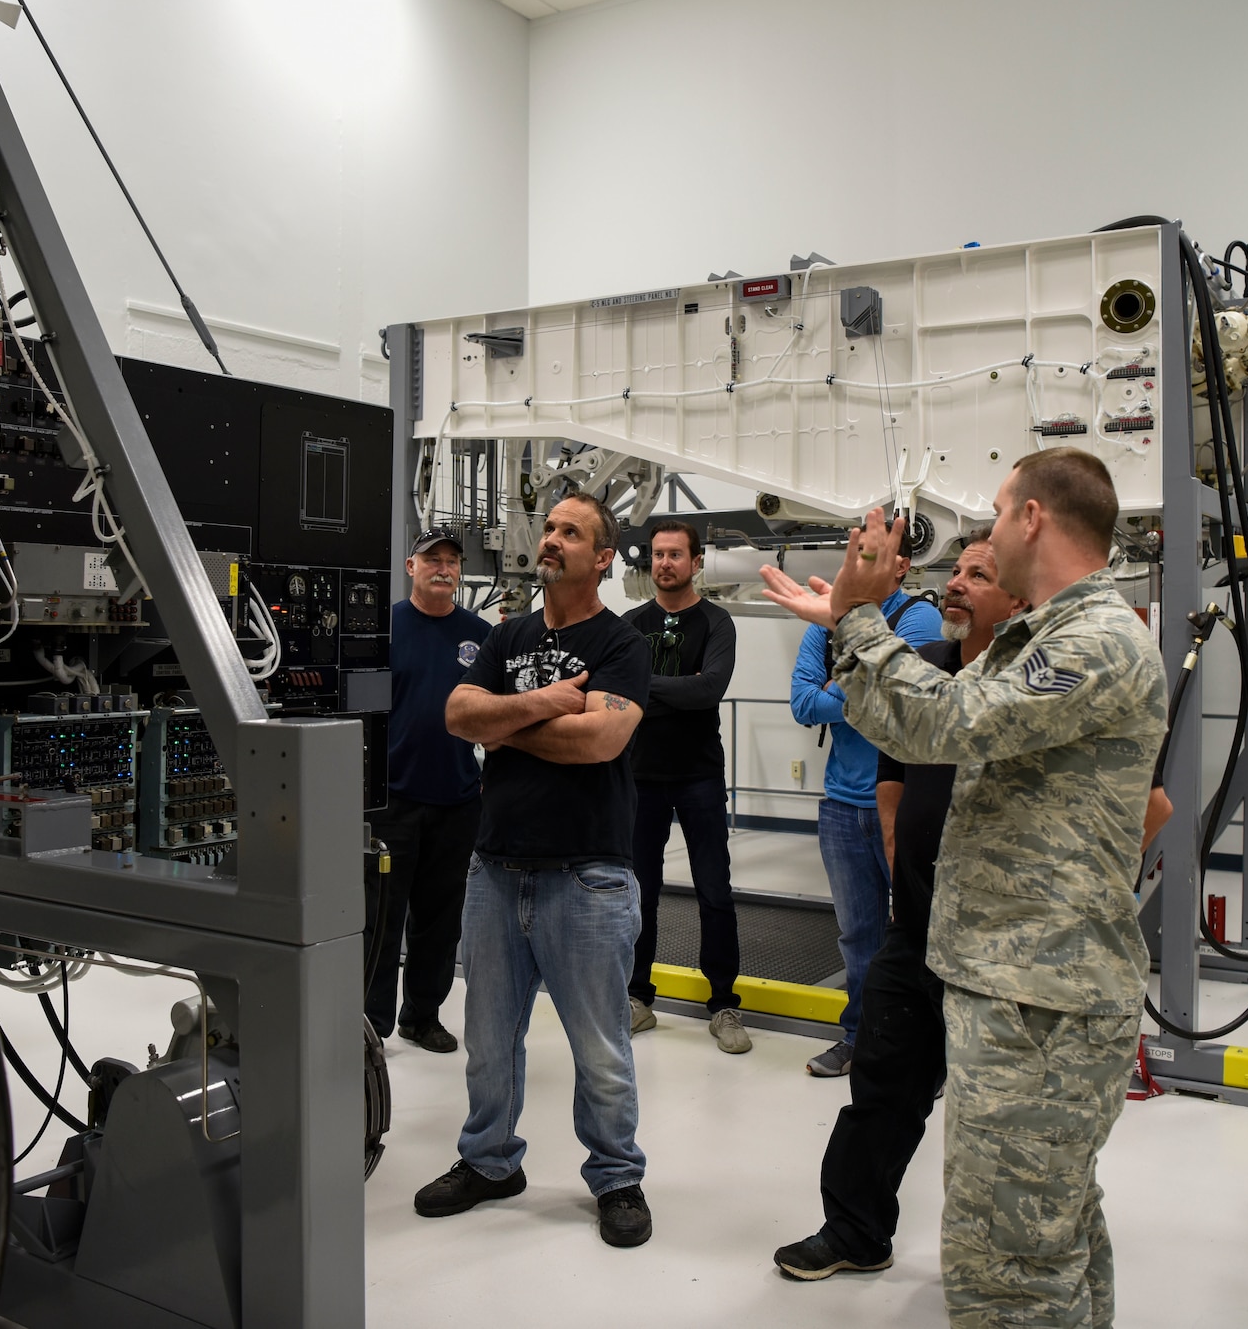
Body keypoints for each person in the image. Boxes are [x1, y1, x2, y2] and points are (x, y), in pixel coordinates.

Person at [759, 448, 1167, 1329]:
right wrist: (847, 621)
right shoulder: (1044, 637)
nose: (978, 535)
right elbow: (922, 714)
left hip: (1042, 1000)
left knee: (1009, 1266)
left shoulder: (1095, 641)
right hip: (1012, 987)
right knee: (1047, 1235)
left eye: (996, 508)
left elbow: (947, 721)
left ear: (1032, 520)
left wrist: (859, 616)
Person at [773, 527, 1027, 1281]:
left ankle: (1005, 1261)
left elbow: (1149, 805)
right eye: (958, 571)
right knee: (880, 1085)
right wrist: (893, 837)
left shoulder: (1028, 680)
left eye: (978, 575)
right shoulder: (930, 662)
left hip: (997, 943)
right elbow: (893, 756)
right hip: (917, 926)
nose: (956, 584)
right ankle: (855, 1230)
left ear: (1017, 598)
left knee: (999, 1115)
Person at [415, 491, 656, 1248]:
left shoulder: (623, 644)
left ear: (603, 556)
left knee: (601, 1050)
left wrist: (508, 721)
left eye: (569, 532)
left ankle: (617, 1174)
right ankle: (490, 1161)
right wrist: (551, 700)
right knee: (488, 1041)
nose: (549, 539)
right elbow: (457, 715)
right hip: (495, 870)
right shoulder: (507, 633)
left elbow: (600, 744)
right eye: (549, 527)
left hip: (588, 875)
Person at [790, 544, 941, 1077]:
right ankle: (859, 1038)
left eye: (877, 554)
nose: (860, 562)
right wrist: (865, 686)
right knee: (858, 936)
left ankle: (924, 1052)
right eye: (856, 553)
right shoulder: (829, 616)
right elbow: (803, 702)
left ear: (903, 565)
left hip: (900, 802)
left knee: (917, 934)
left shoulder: (920, 616)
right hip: (841, 808)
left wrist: (840, 683)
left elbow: (908, 701)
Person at [622, 520, 748, 1052]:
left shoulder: (717, 623)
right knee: (638, 895)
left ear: (697, 562)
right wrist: (680, 688)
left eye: (676, 555)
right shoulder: (631, 623)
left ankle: (723, 1006)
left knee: (714, 892)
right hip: (641, 776)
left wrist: (647, 688)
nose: (665, 564)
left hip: (699, 775)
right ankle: (636, 998)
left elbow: (709, 690)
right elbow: (616, 691)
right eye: (657, 555)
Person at [364, 529, 491, 1052]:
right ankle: (370, 1025)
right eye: (432, 559)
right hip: (393, 800)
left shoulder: (481, 635)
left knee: (440, 922)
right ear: (410, 567)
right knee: (380, 919)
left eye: (452, 561)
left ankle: (422, 1015)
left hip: (458, 799)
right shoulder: (382, 628)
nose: (443, 568)